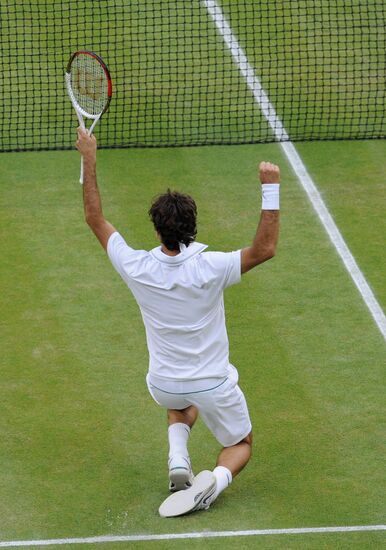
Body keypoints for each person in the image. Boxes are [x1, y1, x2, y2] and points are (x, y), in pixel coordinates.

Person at [75, 127, 280, 517]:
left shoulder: (135, 266)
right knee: (242, 444)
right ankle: (214, 484)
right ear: (193, 226)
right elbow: (265, 249)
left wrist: (89, 156)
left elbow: (94, 217)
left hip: (163, 383)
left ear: (157, 229)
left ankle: (178, 460)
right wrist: (270, 187)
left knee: (181, 403)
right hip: (213, 384)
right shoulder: (212, 266)